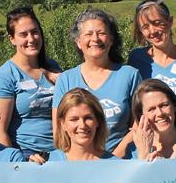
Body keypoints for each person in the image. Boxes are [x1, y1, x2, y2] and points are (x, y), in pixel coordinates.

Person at [53, 9, 140, 157]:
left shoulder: (130, 75)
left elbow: (138, 124)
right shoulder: (66, 79)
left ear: (111, 39)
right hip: (77, 163)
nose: (95, 39)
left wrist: (111, 159)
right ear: (78, 42)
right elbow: (59, 130)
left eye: (101, 33)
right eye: (88, 34)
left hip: (121, 162)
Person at [0, 7, 61, 161]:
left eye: (35, 32)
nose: (31, 39)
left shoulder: (53, 67)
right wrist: (16, 163)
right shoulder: (5, 76)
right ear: (12, 39)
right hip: (28, 155)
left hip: (60, 152)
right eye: (23, 34)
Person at [127, 0, 176, 134]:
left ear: (170, 21)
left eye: (157, 23)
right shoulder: (136, 59)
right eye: (145, 27)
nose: (152, 31)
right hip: (152, 139)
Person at [48, 88, 115, 161]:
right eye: (74, 119)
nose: (82, 125)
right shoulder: (48, 161)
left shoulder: (115, 164)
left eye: (88, 118)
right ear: (62, 124)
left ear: (98, 121)